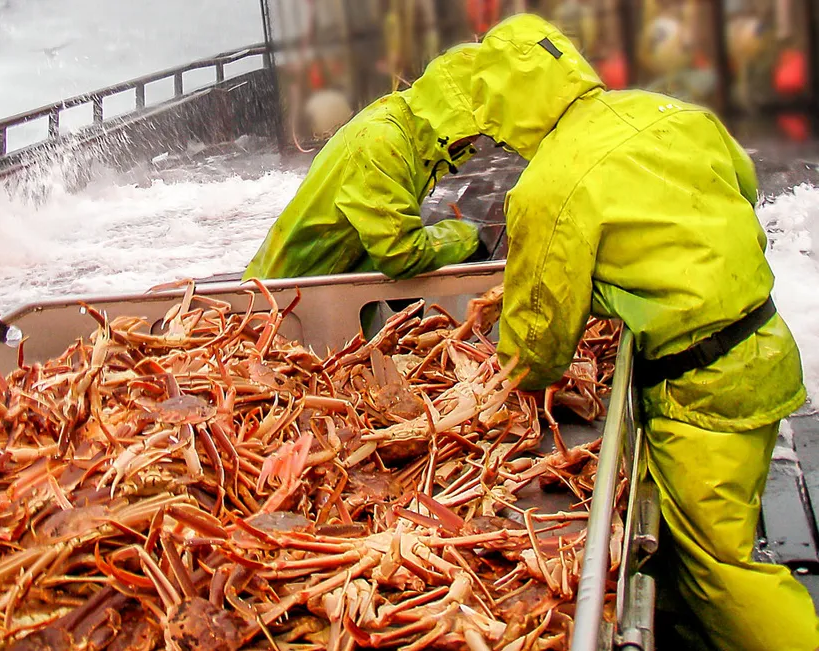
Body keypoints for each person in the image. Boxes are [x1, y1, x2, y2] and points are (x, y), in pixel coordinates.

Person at [477, 13, 819, 651]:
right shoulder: (668, 111)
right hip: (765, 342)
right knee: (680, 531)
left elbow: (535, 345)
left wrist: (506, 386)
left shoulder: (547, 186)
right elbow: (740, 185)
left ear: (502, 105)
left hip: (705, 389)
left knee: (723, 568)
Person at [242, 43, 485, 282]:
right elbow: (400, 254)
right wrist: (466, 237)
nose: (483, 137)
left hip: (324, 288)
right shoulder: (382, 142)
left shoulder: (410, 128)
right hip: (287, 303)